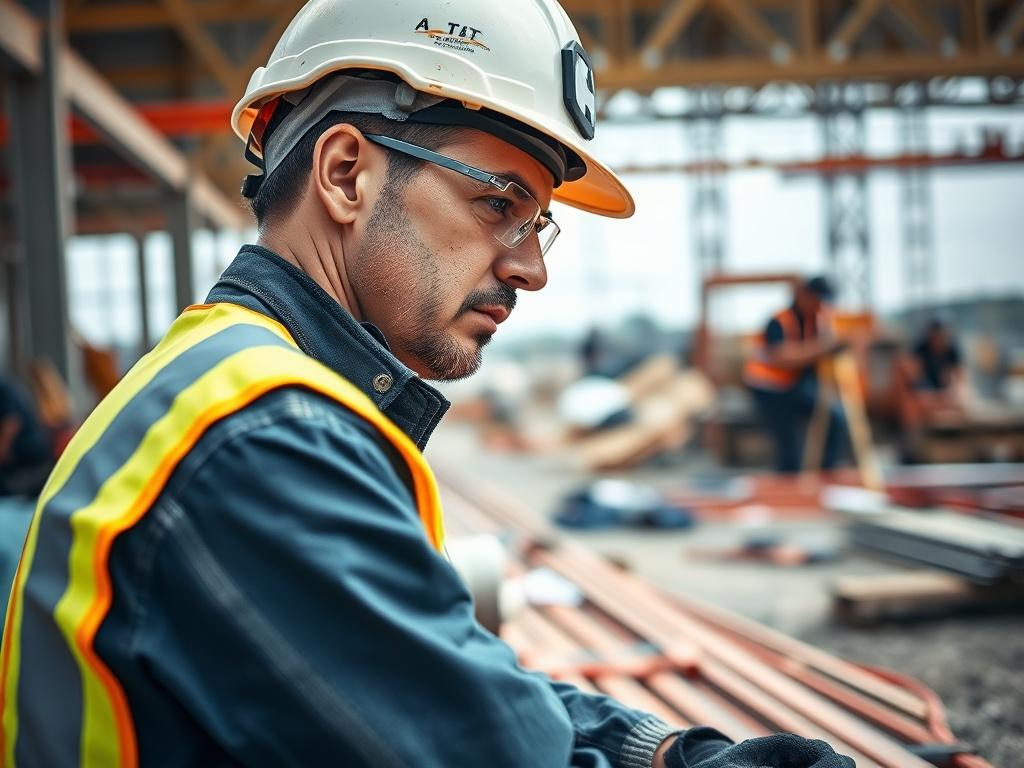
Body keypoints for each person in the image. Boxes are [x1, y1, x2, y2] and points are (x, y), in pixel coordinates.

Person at [1, 3, 852, 767]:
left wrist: (662, 753)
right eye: (498, 206)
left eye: (537, 225)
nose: (530, 269)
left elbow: (438, 678)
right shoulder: (267, 437)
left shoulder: (228, 381)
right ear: (344, 174)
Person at [743, 276, 849, 474]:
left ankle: (826, 475)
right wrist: (824, 348)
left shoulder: (819, 321)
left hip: (796, 387)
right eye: (818, 300)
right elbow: (783, 357)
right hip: (769, 391)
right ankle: (789, 491)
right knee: (790, 450)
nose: (821, 305)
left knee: (835, 419)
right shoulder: (779, 321)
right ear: (804, 296)